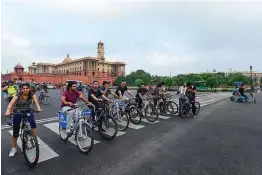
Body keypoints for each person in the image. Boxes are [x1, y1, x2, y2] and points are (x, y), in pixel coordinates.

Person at [4, 83, 43, 157]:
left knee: (33, 124)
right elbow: (11, 103)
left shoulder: (32, 94)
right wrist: (8, 111)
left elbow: (36, 102)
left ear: (29, 88)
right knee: (16, 130)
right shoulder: (18, 95)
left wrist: (38, 108)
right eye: (23, 88)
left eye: (27, 88)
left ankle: (35, 138)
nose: (25, 90)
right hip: (18, 111)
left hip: (28, 111)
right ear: (21, 89)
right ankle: (13, 148)